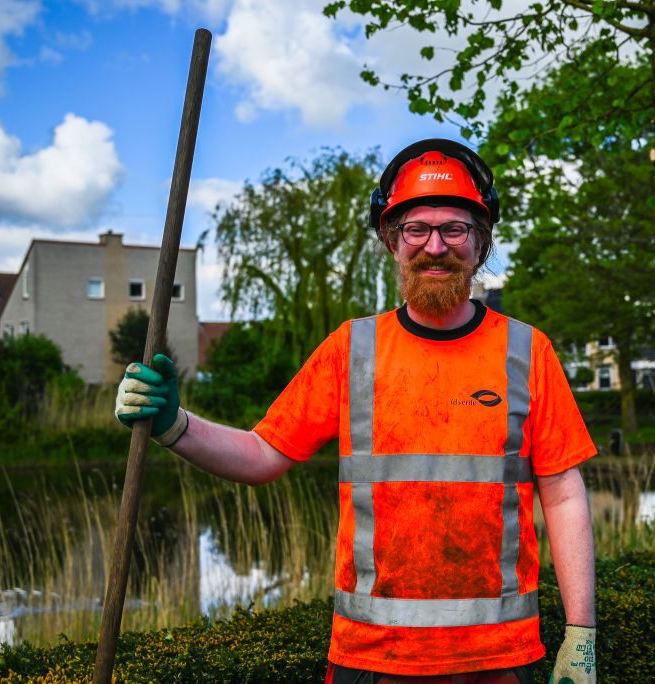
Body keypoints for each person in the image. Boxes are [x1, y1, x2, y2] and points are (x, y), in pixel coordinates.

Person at [115, 139, 598, 684]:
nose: (434, 246)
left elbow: (562, 492)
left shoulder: (526, 351)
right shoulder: (352, 350)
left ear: (480, 244)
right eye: (417, 229)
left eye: (454, 229)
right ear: (392, 242)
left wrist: (581, 636)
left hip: (500, 660)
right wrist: (174, 427)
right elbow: (261, 455)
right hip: (373, 661)